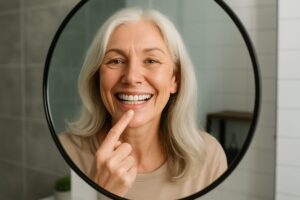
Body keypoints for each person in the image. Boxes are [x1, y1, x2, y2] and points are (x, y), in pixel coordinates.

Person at [60, 7, 227, 200]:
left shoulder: (209, 156)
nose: (131, 77)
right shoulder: (66, 152)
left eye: (151, 60)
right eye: (115, 61)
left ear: (175, 79)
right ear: (97, 76)